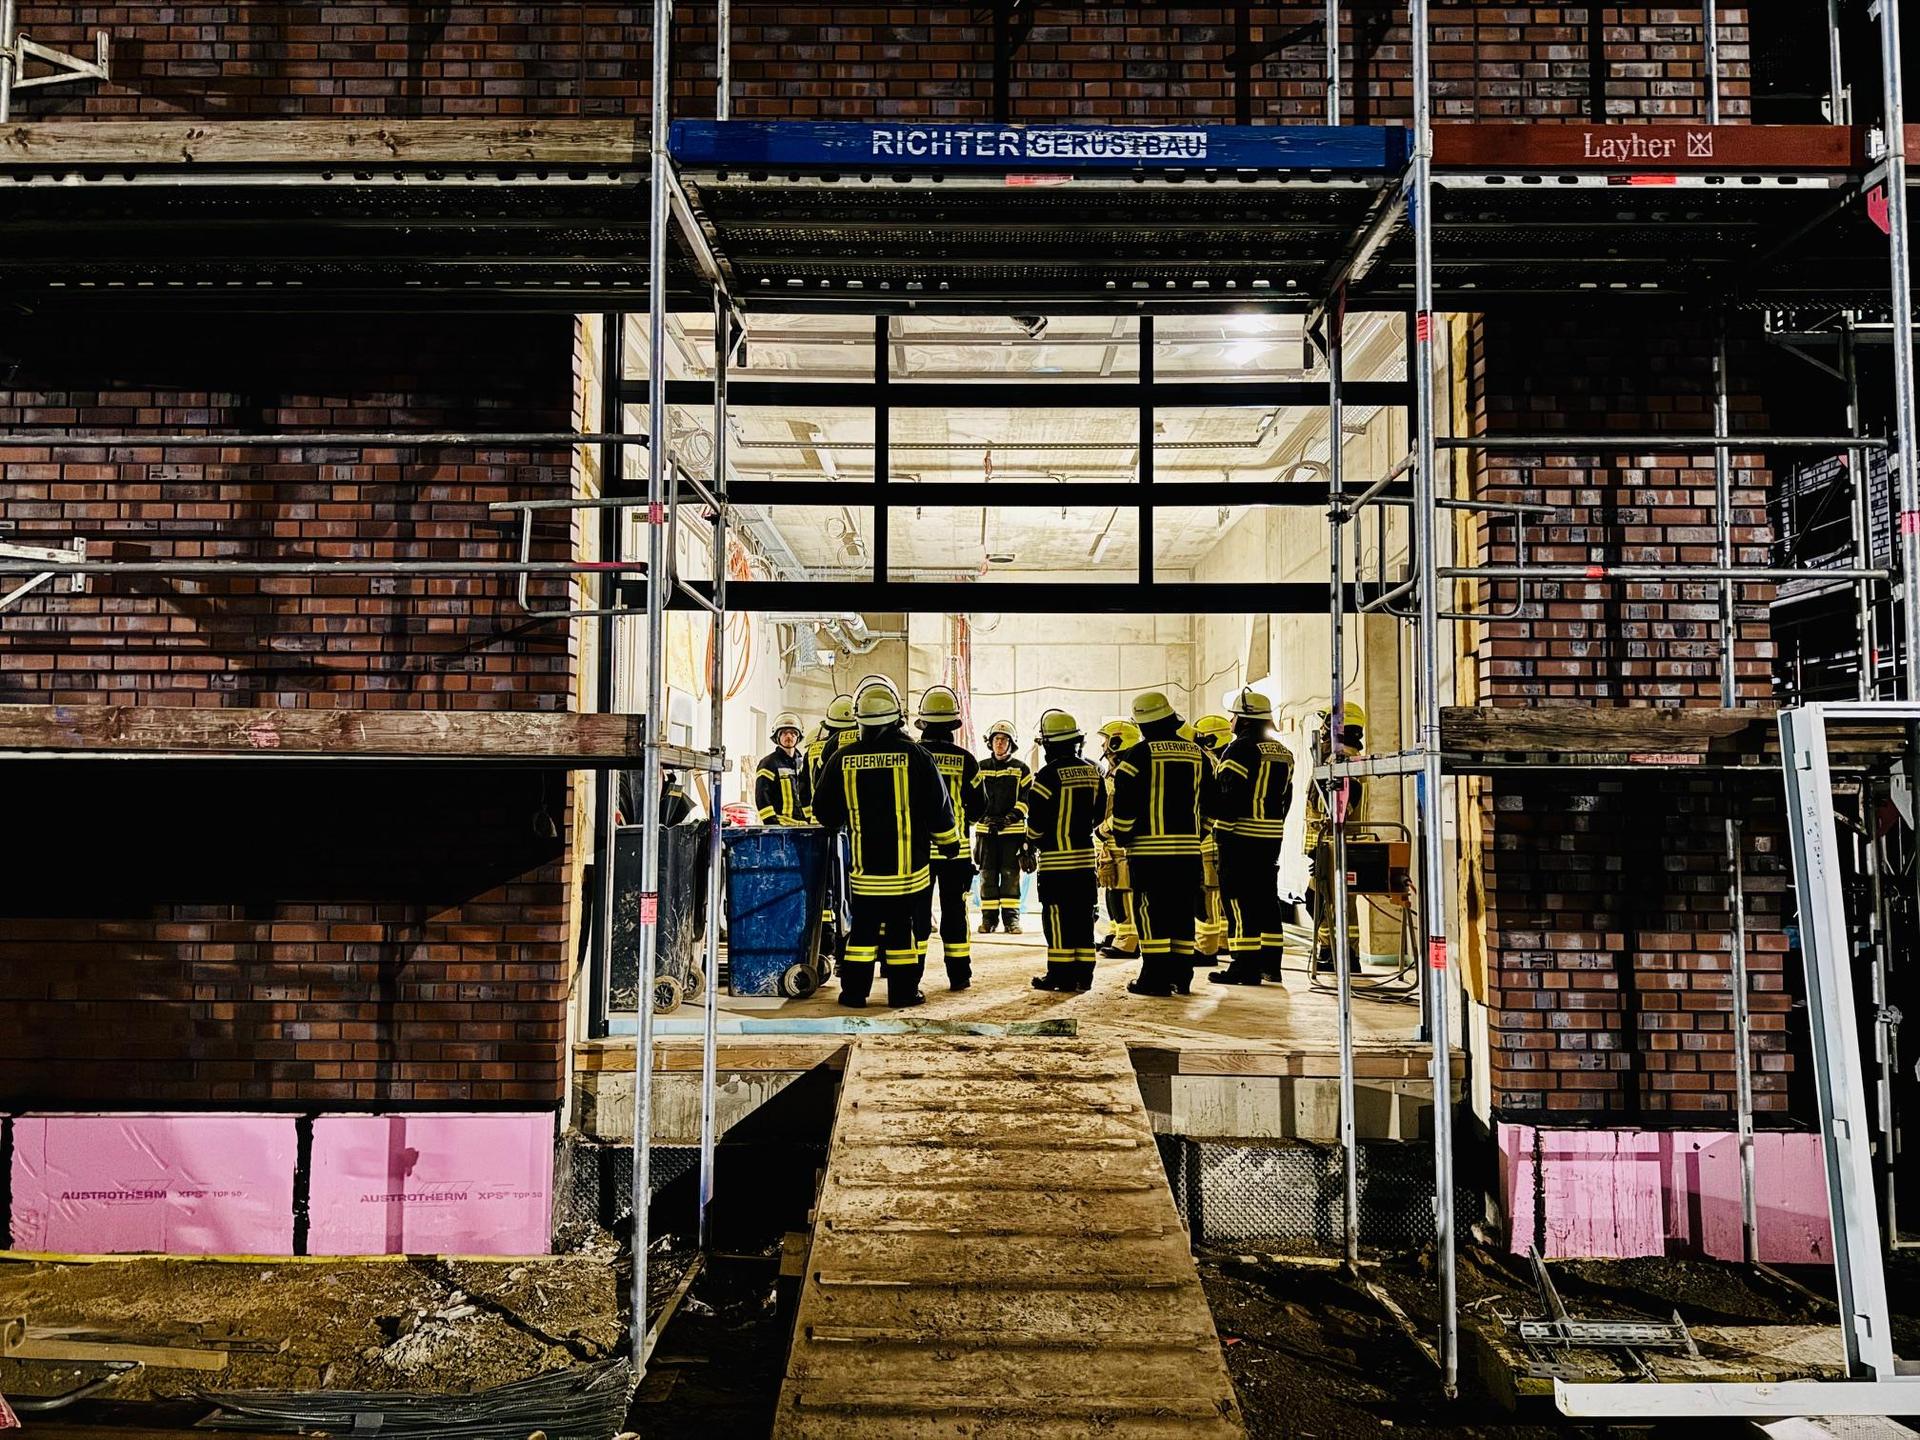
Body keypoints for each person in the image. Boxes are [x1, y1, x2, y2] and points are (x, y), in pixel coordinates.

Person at [809, 681, 958, 1008]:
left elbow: (823, 811)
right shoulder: (917, 756)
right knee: (900, 934)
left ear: (859, 721)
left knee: (861, 933)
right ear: (897, 720)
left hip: (864, 873)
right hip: (907, 872)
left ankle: (853, 994)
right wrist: (949, 845)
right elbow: (939, 806)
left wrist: (841, 821)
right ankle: (903, 994)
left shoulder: (842, 759)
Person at [1109, 691, 1216, 997]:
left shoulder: (1138, 757)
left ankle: (1154, 978)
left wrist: (1123, 836)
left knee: (1150, 912)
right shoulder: (1199, 755)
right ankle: (1181, 978)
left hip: (1149, 853)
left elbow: (1125, 807)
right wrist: (1199, 833)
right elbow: (1213, 804)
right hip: (1187, 853)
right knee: (1182, 912)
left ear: (1142, 724)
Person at [1207, 689, 1296, 987]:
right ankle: (1271, 965)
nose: (1230, 720)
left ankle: (1244, 967)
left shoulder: (1239, 750)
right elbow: (1287, 797)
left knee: (1238, 901)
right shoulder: (1283, 752)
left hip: (1240, 837)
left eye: (1233, 715)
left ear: (1244, 720)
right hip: (1270, 837)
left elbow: (1230, 794)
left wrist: (1220, 829)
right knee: (1266, 900)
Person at [1024, 710, 1105, 993]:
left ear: (1049, 744)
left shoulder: (1046, 776)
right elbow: (1099, 814)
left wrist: (1031, 843)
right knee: (1084, 917)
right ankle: (1085, 975)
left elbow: (1035, 824)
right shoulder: (1094, 772)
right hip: (1085, 861)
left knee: (1058, 918)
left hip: (1056, 863)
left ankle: (1060, 975)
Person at [915, 685, 983, 990]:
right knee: (955, 913)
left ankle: (910, 976)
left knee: (916, 915)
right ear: (954, 725)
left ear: (923, 723)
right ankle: (959, 975)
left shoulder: (912, 756)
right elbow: (980, 807)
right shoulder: (967, 760)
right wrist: (962, 820)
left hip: (916, 852)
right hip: (957, 852)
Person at [1308, 700, 1366, 975]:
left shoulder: (1342, 762)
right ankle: (1332, 950)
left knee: (1334, 901)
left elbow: (1336, 808)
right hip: (1327, 844)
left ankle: (1342, 953)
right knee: (1323, 900)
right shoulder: (1339, 759)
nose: (1321, 731)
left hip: (1336, 844)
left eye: (1325, 725)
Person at [805, 695, 857, 960]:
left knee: (829, 888)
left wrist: (812, 819)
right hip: (856, 829)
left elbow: (807, 792)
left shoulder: (818, 748)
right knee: (854, 889)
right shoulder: (863, 747)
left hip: (826, 828)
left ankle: (828, 945)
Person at [974, 719, 1030, 934]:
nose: (999, 743)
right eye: (996, 739)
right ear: (991, 742)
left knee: (1010, 875)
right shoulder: (980, 767)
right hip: (985, 831)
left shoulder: (1021, 769)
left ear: (1011, 744)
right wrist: (984, 816)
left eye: (1004, 740)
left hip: (1012, 831)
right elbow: (974, 796)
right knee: (987, 875)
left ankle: (1011, 921)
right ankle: (988, 920)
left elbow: (1027, 798)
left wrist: (1011, 817)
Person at [1094, 719, 1141, 958]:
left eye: (1106, 741)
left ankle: (1128, 940)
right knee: (1112, 889)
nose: (1103, 747)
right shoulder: (1116, 770)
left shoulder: (1127, 771)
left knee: (1124, 891)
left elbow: (1125, 808)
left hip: (1122, 842)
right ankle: (1116, 933)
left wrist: (1104, 828)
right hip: (1110, 842)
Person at [1191, 712, 1233, 964]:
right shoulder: (1225, 762)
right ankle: (1223, 942)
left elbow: (1207, 804)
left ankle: (1206, 948)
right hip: (1224, 838)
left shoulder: (1208, 763)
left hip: (1208, 841)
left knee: (1207, 894)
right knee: (1220, 893)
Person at [754, 711, 811, 827]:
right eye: (784, 733)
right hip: (781, 828)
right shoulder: (768, 763)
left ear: (798, 737)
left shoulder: (803, 763)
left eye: (793, 733)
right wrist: (772, 824)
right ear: (777, 737)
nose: (789, 736)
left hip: (804, 826)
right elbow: (762, 796)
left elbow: (808, 793)